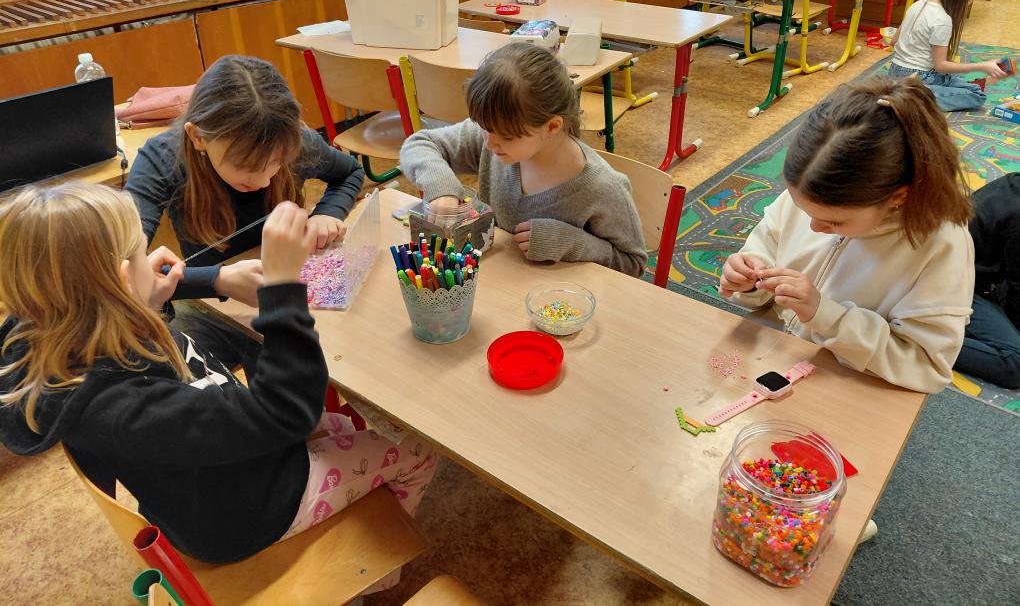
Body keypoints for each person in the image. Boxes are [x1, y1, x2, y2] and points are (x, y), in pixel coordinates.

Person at [0, 182, 436, 568]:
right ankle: (372, 574)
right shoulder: (125, 409)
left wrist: (205, 281)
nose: (151, 260)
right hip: (248, 515)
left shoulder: (57, 336)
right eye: (140, 254)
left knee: (339, 426)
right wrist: (282, 289)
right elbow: (286, 412)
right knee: (417, 450)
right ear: (121, 281)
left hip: (210, 485)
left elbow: (102, 300)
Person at [719, 77, 975, 393]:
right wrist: (748, 276)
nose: (813, 227)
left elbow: (925, 366)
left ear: (897, 197)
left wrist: (826, 316)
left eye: (834, 222)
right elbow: (765, 249)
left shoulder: (942, 246)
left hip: (849, 387)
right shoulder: (816, 191)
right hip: (774, 360)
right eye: (803, 209)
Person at [126, 55, 365, 307]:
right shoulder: (162, 159)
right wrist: (217, 280)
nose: (263, 181)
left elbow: (351, 173)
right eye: (244, 165)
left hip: (288, 288)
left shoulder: (291, 140)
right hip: (213, 304)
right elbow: (120, 270)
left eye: (278, 161)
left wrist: (327, 213)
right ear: (198, 137)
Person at [399, 43, 646, 277]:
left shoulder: (602, 188)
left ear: (552, 127)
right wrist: (441, 187)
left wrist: (572, 243)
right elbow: (419, 144)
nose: (489, 143)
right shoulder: (496, 132)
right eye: (483, 127)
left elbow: (633, 265)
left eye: (507, 137)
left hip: (560, 297)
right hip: (502, 282)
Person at [889, 0, 1006, 111]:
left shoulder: (919, 4)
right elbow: (941, 66)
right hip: (918, 77)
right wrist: (983, 66)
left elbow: (894, 40)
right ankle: (908, 98)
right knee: (977, 95)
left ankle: (905, 92)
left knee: (968, 85)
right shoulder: (942, 19)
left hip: (896, 71)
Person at [956, 173, 1020, 388]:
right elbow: (1016, 292)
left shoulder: (1014, 182)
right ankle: (915, 340)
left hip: (968, 273)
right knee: (1014, 362)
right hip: (953, 285)